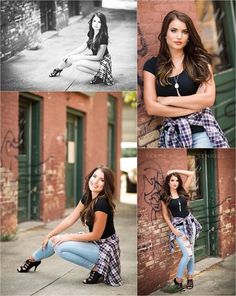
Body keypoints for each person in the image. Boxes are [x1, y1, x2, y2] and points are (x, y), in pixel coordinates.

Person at [17, 165, 122, 287]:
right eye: (94, 176)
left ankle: (97, 268)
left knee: (60, 248)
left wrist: (66, 237)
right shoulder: (88, 197)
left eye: (102, 180)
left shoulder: (102, 204)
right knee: (53, 240)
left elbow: (96, 235)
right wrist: (50, 234)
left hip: (105, 249)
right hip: (95, 244)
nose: (95, 181)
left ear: (106, 185)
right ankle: (32, 260)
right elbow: (70, 219)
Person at [143, 10, 229, 148]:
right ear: (165, 33)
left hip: (202, 131)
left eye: (184, 31)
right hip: (172, 135)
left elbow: (209, 99)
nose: (179, 36)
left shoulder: (200, 61)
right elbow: (152, 108)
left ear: (189, 36)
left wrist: (168, 100)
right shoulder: (151, 66)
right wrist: (195, 104)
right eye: (174, 30)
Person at [160, 170, 202, 290]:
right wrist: (173, 230)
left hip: (190, 224)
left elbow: (191, 174)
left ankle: (190, 278)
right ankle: (178, 279)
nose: (175, 183)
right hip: (178, 228)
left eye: (177, 180)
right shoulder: (165, 197)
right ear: (168, 182)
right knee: (187, 254)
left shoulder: (183, 191)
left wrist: (175, 171)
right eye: (172, 180)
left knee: (191, 252)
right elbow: (165, 215)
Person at [49, 12, 114, 86]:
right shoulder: (91, 33)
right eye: (94, 21)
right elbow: (83, 47)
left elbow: (99, 57)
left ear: (102, 24)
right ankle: (58, 69)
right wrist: (69, 54)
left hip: (102, 62)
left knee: (77, 63)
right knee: (71, 58)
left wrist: (80, 57)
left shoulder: (103, 37)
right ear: (91, 22)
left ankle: (101, 75)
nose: (96, 24)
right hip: (95, 58)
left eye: (99, 22)